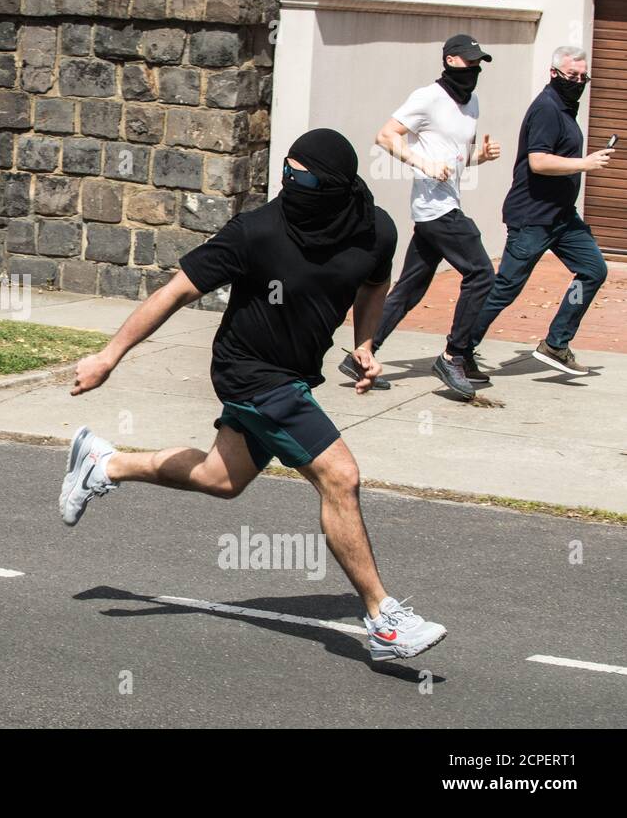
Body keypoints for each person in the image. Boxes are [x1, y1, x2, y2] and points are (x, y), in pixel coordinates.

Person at [60, 128, 448, 662]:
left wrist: (364, 342)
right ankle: (383, 617)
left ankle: (105, 464)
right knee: (340, 476)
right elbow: (176, 290)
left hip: (295, 372)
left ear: (336, 185)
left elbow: (374, 285)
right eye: (286, 170)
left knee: (221, 479)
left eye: (303, 175)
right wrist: (109, 356)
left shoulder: (374, 230)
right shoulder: (258, 232)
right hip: (249, 371)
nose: (290, 182)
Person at [342, 34, 501, 400]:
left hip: (445, 202)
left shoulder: (471, 101)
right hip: (436, 209)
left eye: (479, 63)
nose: (474, 69)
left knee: (409, 288)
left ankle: (361, 355)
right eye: (468, 62)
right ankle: (454, 355)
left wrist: (481, 157)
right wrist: (422, 163)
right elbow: (385, 136)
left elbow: (454, 155)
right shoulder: (427, 97)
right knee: (481, 274)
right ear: (449, 61)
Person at [468, 46, 614, 376]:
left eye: (582, 77)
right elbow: (538, 161)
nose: (578, 81)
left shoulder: (565, 107)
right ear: (553, 73)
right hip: (533, 218)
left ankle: (556, 343)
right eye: (571, 76)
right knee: (505, 287)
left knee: (593, 270)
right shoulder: (547, 109)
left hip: (562, 218)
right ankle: (460, 348)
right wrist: (585, 163)